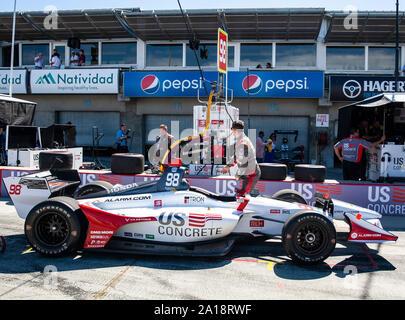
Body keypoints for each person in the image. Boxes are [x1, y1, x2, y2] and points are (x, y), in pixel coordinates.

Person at [221, 120, 261, 198]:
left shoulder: (243, 142)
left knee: (245, 197)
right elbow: (237, 156)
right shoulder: (242, 140)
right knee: (242, 195)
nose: (232, 131)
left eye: (232, 129)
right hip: (249, 172)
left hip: (251, 173)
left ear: (234, 130)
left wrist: (238, 174)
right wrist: (228, 166)